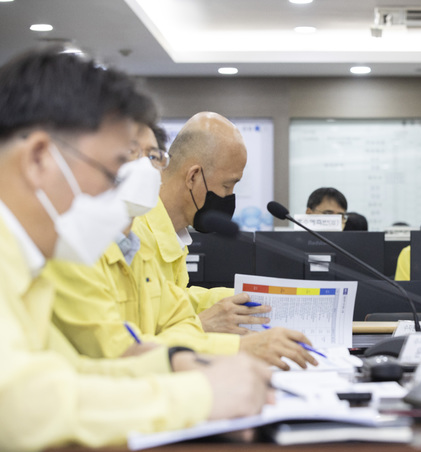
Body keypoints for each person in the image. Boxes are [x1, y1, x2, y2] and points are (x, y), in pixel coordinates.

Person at [0, 47, 271, 452]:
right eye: (111, 172)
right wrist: (199, 396)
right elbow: (15, 407)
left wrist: (173, 362)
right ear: (37, 160)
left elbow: (71, 372)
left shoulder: (29, 259)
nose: (120, 196)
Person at [44, 123, 317, 370]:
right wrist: (236, 347)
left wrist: (251, 298)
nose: (149, 169)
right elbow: (122, 352)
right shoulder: (74, 251)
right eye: (129, 154)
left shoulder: (135, 246)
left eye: (153, 156)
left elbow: (179, 313)